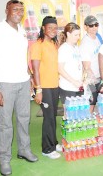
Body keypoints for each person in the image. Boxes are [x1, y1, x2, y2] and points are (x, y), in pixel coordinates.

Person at [0, 0, 38, 176]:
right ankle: (4, 159)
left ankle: (24, 149)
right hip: (4, 84)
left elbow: (22, 58)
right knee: (5, 124)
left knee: (24, 118)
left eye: (21, 10)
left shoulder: (21, 31)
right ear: (6, 10)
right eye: (15, 9)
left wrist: (29, 77)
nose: (19, 13)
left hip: (23, 82)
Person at [30, 16, 62, 159]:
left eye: (55, 28)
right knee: (48, 118)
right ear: (43, 28)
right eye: (50, 28)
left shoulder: (54, 44)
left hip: (55, 85)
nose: (53, 31)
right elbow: (35, 69)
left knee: (52, 116)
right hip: (44, 87)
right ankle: (47, 149)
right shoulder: (38, 45)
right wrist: (38, 89)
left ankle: (53, 143)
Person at [58, 23, 83, 114]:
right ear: (68, 34)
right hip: (67, 87)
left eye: (79, 35)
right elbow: (60, 69)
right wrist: (73, 81)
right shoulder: (63, 49)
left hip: (78, 86)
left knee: (77, 115)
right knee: (69, 115)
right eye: (76, 35)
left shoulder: (76, 47)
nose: (78, 37)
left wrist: (82, 80)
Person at [80, 15, 103, 113]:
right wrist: (95, 82)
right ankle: (87, 126)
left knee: (97, 105)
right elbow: (86, 66)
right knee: (91, 104)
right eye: (91, 25)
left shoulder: (98, 37)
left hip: (99, 77)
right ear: (85, 27)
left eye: (96, 25)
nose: (94, 27)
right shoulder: (85, 43)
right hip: (91, 79)